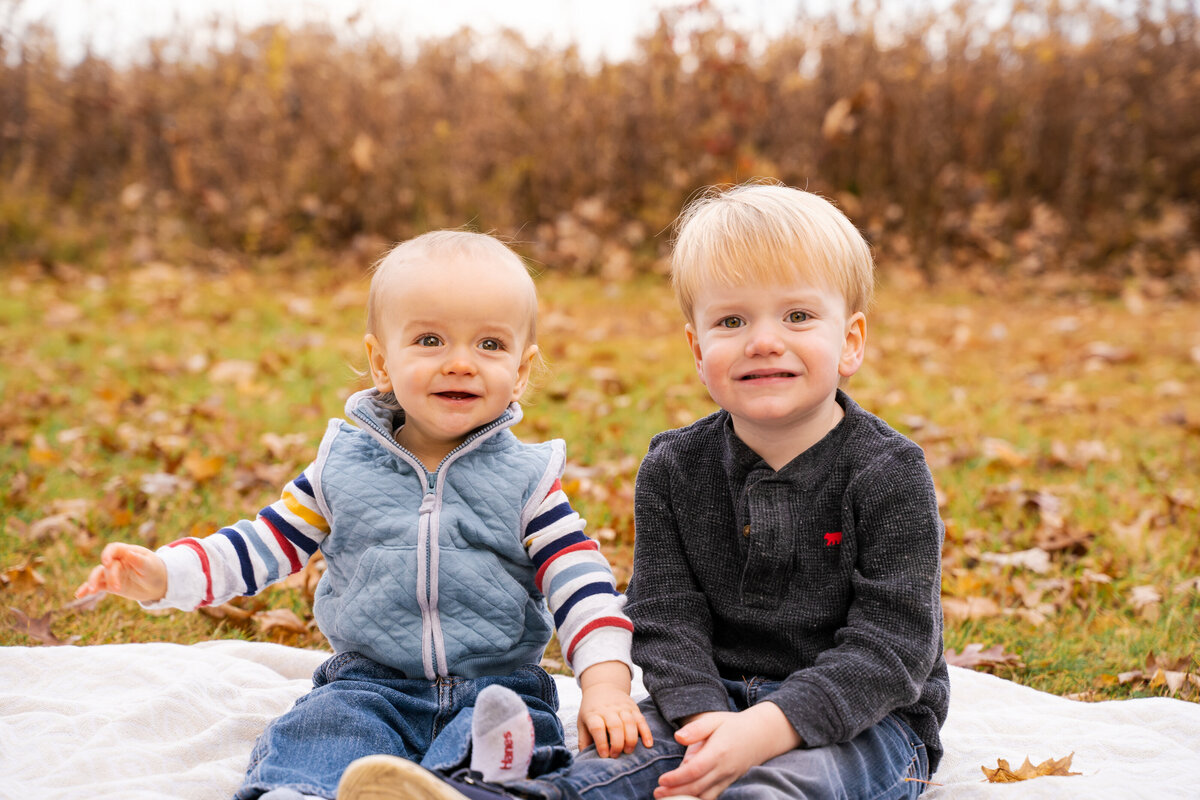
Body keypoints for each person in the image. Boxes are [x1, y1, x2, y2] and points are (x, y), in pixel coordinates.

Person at [350, 182, 949, 800]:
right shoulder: (675, 467)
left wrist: (768, 729)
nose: (763, 340)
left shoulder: (887, 472)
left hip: (867, 722)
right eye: (731, 320)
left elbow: (892, 644)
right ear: (697, 348)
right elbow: (666, 613)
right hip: (709, 699)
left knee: (786, 784)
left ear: (850, 341)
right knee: (614, 765)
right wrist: (699, 714)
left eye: (797, 316)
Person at [75, 230, 652, 800]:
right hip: (371, 681)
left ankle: (479, 784)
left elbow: (582, 585)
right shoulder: (340, 470)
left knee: (517, 735)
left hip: (497, 686)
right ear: (381, 362)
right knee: (324, 730)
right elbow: (259, 544)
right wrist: (165, 575)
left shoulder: (529, 482)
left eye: (490, 345)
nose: (459, 364)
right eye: (430, 340)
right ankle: (301, 791)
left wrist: (605, 683)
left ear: (521, 372)